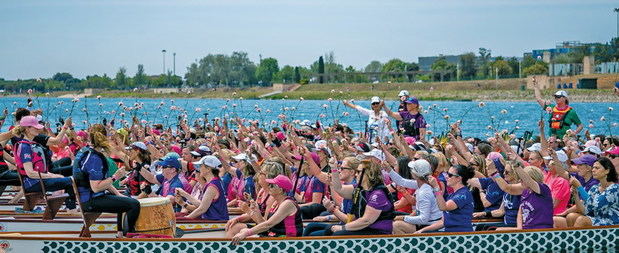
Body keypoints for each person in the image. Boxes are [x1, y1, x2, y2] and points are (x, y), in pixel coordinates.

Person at [73, 124, 140, 238]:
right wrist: (115, 177)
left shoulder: (84, 151)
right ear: (105, 137)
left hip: (89, 197)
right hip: (90, 201)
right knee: (134, 204)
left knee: (122, 200)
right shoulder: (95, 158)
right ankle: (129, 236)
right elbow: (96, 187)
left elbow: (103, 181)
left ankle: (120, 234)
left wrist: (118, 194)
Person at [13, 116, 77, 211]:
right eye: (36, 127)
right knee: (69, 182)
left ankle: (69, 209)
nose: (39, 129)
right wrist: (52, 176)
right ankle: (72, 211)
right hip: (33, 183)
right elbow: (30, 173)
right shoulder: (25, 146)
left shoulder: (33, 143)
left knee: (67, 179)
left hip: (38, 180)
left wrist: (53, 175)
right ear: (27, 129)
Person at [329, 160, 395, 235]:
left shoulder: (378, 194)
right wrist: (333, 168)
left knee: (338, 234)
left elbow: (366, 221)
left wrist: (343, 227)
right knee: (329, 229)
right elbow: (338, 189)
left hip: (378, 233)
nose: (356, 175)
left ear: (369, 173)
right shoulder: (359, 189)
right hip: (365, 228)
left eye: (358, 171)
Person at [231, 175, 303, 243]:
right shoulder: (275, 203)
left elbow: (268, 224)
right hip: (275, 236)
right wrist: (257, 210)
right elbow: (264, 224)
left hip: (288, 240)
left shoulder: (287, 204)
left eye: (272, 186)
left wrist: (246, 233)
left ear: (280, 190)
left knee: (245, 235)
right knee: (243, 230)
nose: (269, 187)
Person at [418, 165, 475, 233]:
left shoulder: (463, 194)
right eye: (447, 173)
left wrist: (436, 187)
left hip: (461, 236)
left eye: (450, 175)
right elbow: (443, 222)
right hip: (449, 234)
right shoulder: (452, 195)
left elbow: (443, 207)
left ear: (459, 178)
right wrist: (422, 230)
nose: (446, 176)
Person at [564, 157, 618, 227]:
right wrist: (576, 194)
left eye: (597, 168)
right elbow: (584, 211)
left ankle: (573, 238)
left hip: (613, 224)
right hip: (598, 220)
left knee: (582, 220)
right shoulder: (594, 188)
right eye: (593, 168)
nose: (593, 170)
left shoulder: (614, 188)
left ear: (607, 171)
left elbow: (595, 205)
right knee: (571, 217)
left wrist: (579, 187)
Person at [392, 159, 442, 234]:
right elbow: (402, 181)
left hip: (430, 227)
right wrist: (388, 169)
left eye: (412, 169)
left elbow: (423, 219)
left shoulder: (424, 192)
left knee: (396, 225)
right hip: (427, 223)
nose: (410, 171)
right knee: (396, 221)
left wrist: (402, 218)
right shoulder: (422, 184)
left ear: (415, 174)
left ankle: (408, 245)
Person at [179, 155, 229, 220]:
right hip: (214, 220)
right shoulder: (214, 182)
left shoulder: (212, 186)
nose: (199, 169)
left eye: (201, 166)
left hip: (215, 222)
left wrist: (185, 219)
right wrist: (184, 194)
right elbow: (202, 205)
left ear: (208, 169)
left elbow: (202, 209)